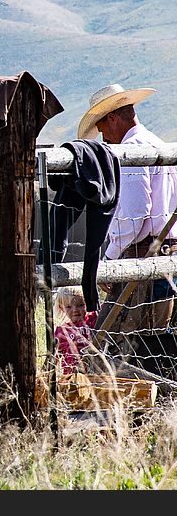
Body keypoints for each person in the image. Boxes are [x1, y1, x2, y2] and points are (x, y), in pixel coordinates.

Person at [77, 83, 177, 335]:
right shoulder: (158, 144)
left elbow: (135, 214)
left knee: (120, 338)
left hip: (142, 253)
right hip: (165, 252)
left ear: (112, 118)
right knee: (155, 334)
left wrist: (110, 260)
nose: (104, 138)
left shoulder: (130, 151)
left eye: (102, 129)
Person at [53, 285, 97, 375]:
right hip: (71, 374)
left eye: (80, 305)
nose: (75, 310)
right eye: (68, 307)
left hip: (95, 372)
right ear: (61, 308)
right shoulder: (61, 331)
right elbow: (54, 356)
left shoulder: (93, 319)